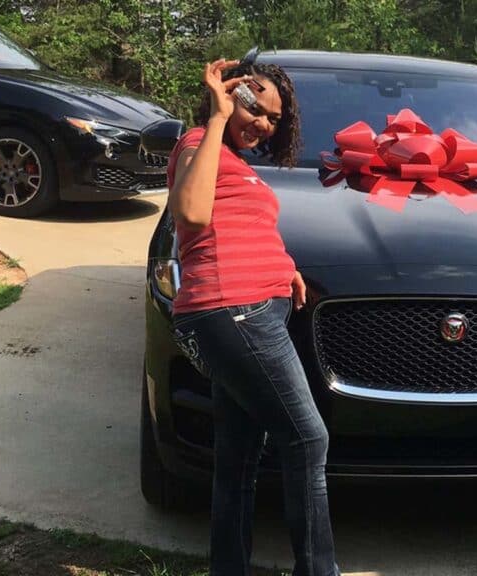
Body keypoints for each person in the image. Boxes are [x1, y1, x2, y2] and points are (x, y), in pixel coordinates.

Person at [167, 58, 339, 576]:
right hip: (234, 311)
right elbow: (191, 214)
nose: (263, 123)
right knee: (307, 438)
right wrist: (218, 116)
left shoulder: (234, 162)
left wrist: (285, 267)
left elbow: (240, 226)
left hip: (243, 311)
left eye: (273, 119)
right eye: (253, 106)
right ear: (228, 94)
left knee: (238, 457)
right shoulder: (199, 142)